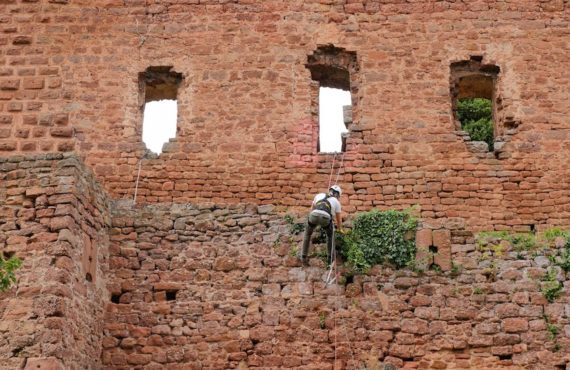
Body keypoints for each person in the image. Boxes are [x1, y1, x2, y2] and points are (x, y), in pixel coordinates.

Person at [300, 185, 343, 265]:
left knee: (307, 234)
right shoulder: (337, 202)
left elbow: (312, 209)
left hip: (314, 215)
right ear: (338, 195)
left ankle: (303, 256)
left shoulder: (319, 195)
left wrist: (312, 222)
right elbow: (338, 219)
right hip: (326, 218)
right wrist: (340, 229)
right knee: (330, 236)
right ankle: (330, 258)